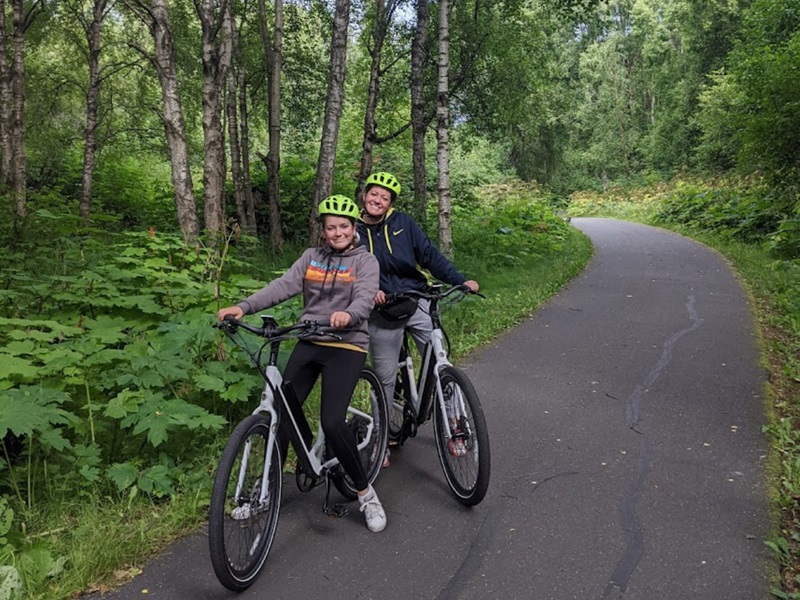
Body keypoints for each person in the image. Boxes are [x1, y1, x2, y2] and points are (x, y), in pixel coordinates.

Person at [217, 195, 387, 533]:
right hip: (309, 340)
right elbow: (283, 286)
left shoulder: (365, 262)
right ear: (323, 231)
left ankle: (366, 493)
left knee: (334, 422)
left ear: (353, 228)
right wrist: (243, 307)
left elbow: (366, 298)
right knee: (280, 413)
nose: (337, 232)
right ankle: (265, 492)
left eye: (343, 226)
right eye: (330, 227)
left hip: (346, 345)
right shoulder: (311, 258)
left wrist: (349, 315)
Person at [357, 172, 479, 463]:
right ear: (364, 195)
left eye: (384, 198)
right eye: (374, 194)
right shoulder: (352, 229)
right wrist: (367, 289)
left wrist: (460, 280)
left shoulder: (403, 224)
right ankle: (382, 440)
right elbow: (345, 268)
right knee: (384, 379)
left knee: (441, 362)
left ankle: (455, 424)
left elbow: (429, 256)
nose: (378, 200)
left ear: (390, 203)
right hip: (381, 311)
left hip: (416, 299)